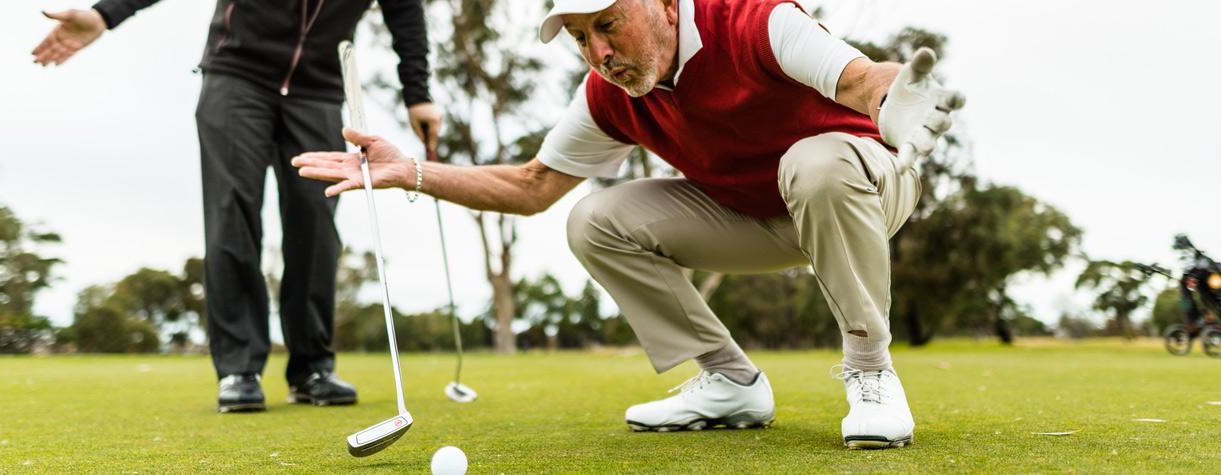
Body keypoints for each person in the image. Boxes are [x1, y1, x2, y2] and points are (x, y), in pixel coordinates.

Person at [293, 0, 961, 448]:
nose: (598, 51)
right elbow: (532, 188)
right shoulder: (609, 95)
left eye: (607, 24)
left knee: (813, 164)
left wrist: (890, 100)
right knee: (594, 218)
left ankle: (871, 371)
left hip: (864, 187)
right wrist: (411, 171)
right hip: (758, 217)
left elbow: (861, 79)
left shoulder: (754, 21)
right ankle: (730, 382)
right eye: (582, 37)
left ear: (666, 4)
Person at [31, 0, 443, 413]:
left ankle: (312, 368)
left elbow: (404, 10)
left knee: (315, 223)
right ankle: (239, 369)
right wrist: (107, 14)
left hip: (317, 90)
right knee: (232, 215)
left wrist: (417, 92)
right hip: (237, 76)